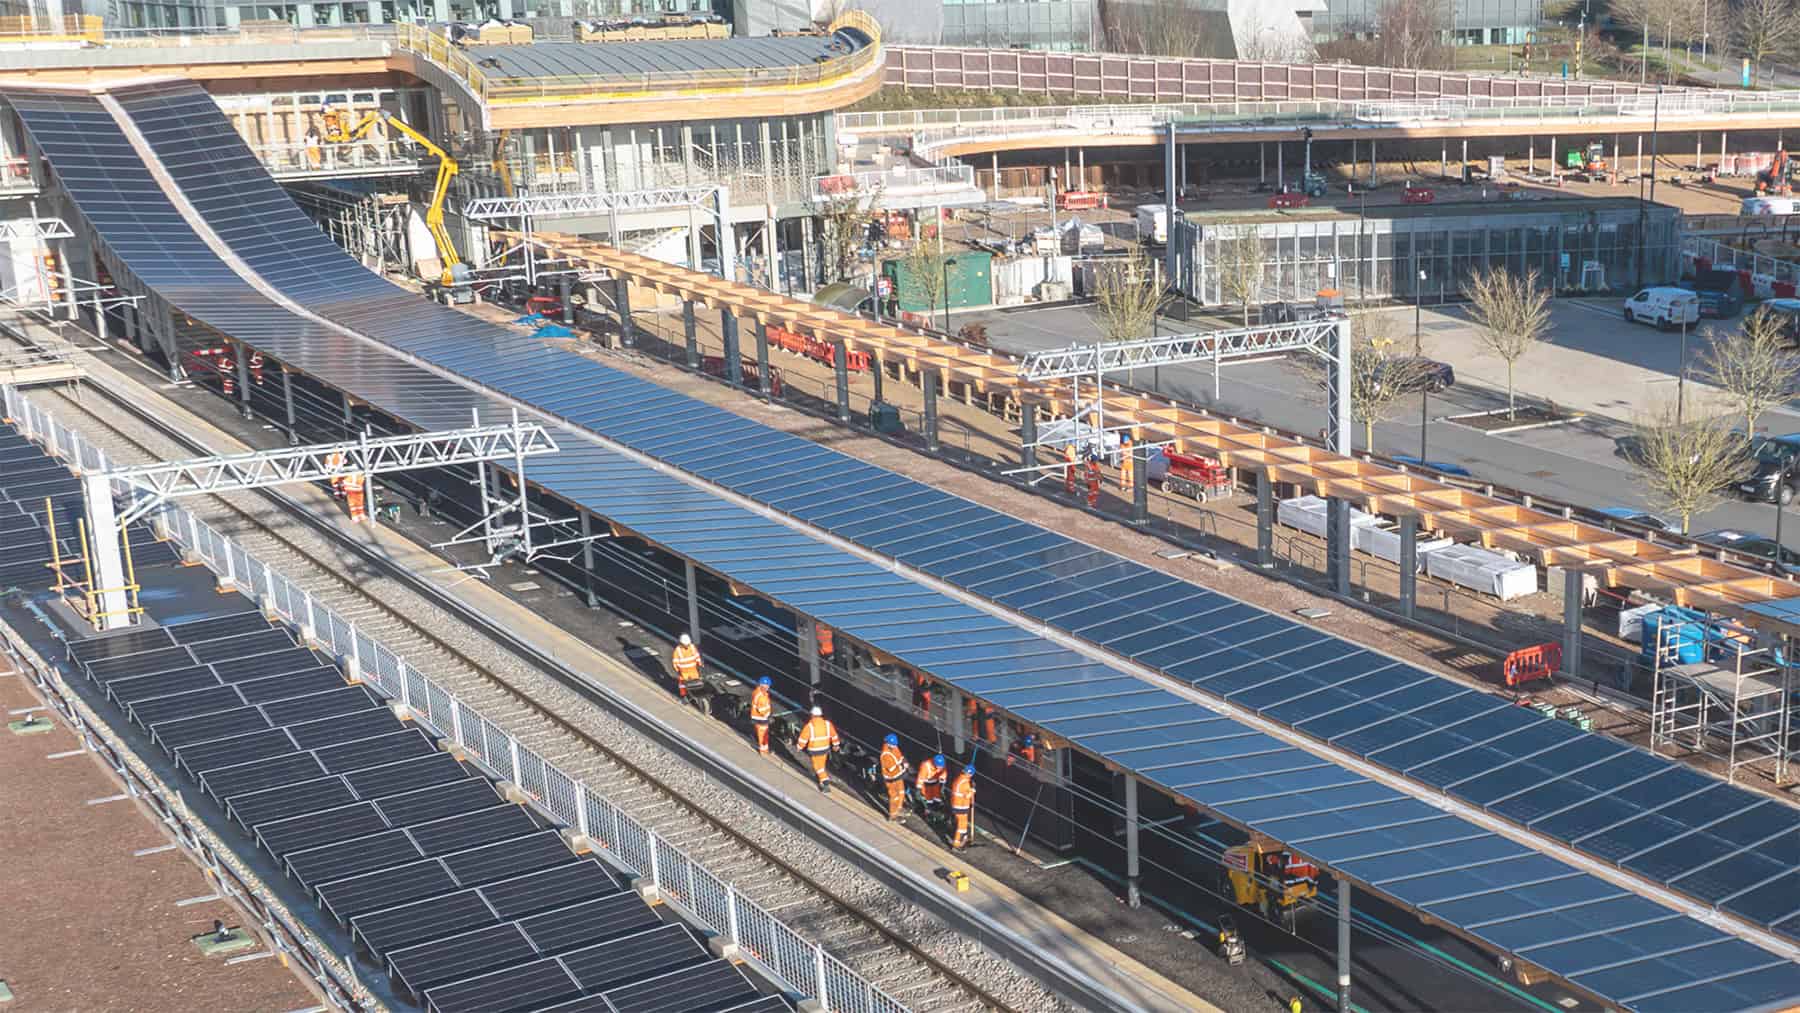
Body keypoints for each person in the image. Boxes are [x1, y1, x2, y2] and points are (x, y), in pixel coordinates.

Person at [794, 705, 840, 793]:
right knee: (821, 766)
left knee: (817, 767)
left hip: (815, 750)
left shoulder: (810, 726)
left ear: (812, 715)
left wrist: (799, 747)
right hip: (825, 749)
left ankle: (825, 783)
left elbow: (803, 738)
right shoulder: (827, 724)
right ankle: (821, 781)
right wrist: (836, 744)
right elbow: (834, 735)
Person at [878, 733, 909, 822]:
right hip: (891, 779)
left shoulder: (894, 747)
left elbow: (900, 756)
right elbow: (891, 769)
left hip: (898, 775)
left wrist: (904, 761)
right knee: (894, 796)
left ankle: (899, 808)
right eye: (892, 745)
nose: (894, 746)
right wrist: (903, 766)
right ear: (887, 743)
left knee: (901, 792)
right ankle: (893, 815)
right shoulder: (885, 754)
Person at [950, 764, 976, 849]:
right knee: (961, 826)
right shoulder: (965, 783)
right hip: (960, 806)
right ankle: (957, 844)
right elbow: (967, 796)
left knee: (963, 824)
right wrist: (972, 791)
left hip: (959, 805)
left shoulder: (960, 779)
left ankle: (963, 837)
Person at [670, 633, 702, 699]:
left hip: (693, 670)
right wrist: (678, 671)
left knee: (697, 683)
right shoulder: (678, 650)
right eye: (685, 644)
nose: (687, 645)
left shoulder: (692, 647)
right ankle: (684, 696)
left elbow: (697, 657)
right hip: (684, 672)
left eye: (687, 644)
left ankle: (697, 695)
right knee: (682, 685)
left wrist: (699, 665)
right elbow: (675, 662)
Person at [749, 676, 773, 755]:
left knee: (761, 734)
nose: (769, 687)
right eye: (768, 685)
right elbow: (762, 709)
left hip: (757, 717)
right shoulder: (761, 697)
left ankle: (764, 749)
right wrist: (768, 716)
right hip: (761, 718)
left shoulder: (757, 692)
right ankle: (764, 751)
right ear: (764, 685)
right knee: (763, 735)